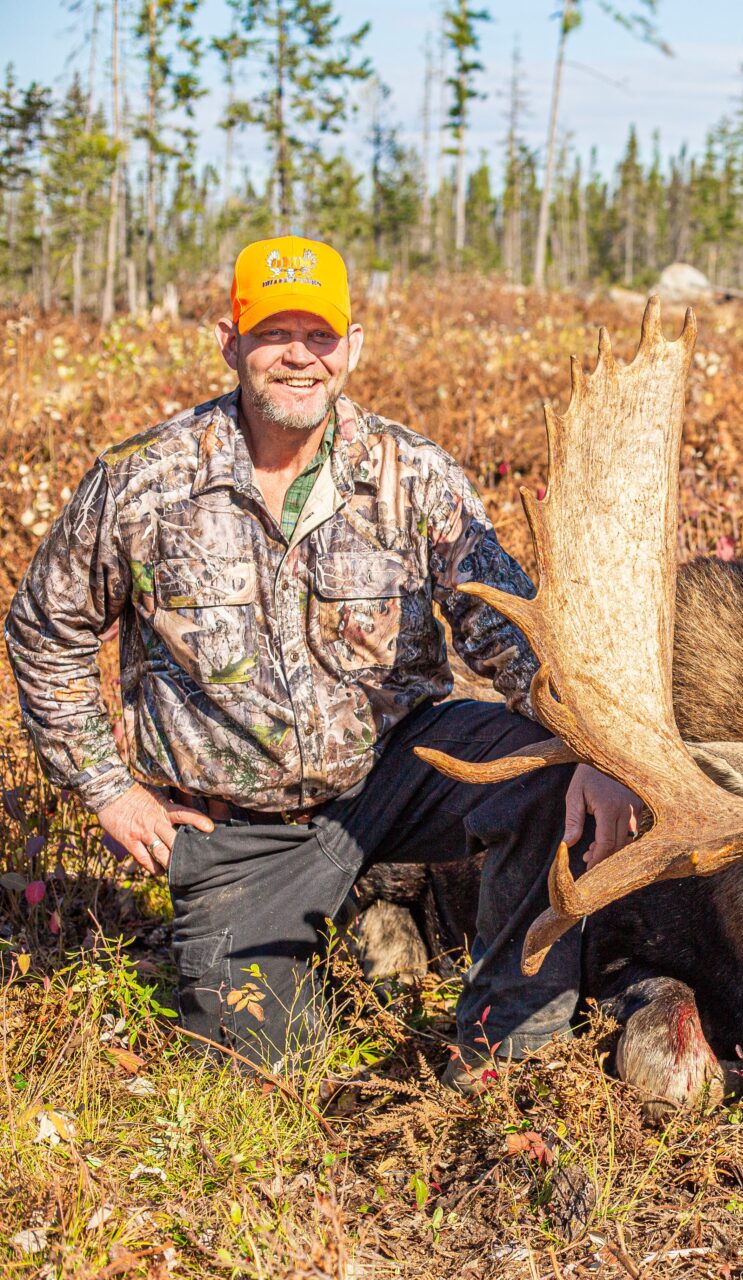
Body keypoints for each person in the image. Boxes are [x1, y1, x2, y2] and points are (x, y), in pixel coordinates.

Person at [6, 235, 647, 1076]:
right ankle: (338, 946)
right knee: (271, 1076)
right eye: (275, 334)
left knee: (547, 771)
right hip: (242, 835)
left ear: (353, 348)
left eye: (321, 335)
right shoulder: (143, 482)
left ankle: (507, 1052)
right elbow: (44, 629)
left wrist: (598, 746)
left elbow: (505, 629)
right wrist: (110, 791)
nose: (300, 357)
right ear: (230, 343)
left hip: (397, 773)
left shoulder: (412, 473)